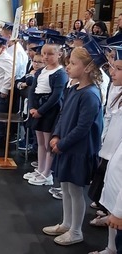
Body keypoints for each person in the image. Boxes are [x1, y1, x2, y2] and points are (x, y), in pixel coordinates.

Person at [42, 39, 106, 246]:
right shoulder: (74, 89)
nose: (67, 66)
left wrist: (62, 143)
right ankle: (66, 223)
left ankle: (76, 230)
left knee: (76, 191)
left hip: (79, 151)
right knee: (66, 188)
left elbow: (83, 128)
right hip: (66, 148)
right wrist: (56, 135)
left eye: (73, 63)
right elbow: (63, 116)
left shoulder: (91, 95)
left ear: (88, 67)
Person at [88, 47, 122, 254]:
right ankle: (110, 247)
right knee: (110, 200)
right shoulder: (118, 91)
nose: (112, 71)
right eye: (113, 67)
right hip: (112, 152)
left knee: (116, 206)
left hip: (117, 157)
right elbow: (109, 117)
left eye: (118, 68)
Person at [23, 33, 68, 186]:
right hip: (37, 108)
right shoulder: (41, 71)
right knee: (40, 142)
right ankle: (41, 168)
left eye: (50, 54)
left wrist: (41, 111)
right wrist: (32, 108)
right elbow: (32, 89)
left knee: (48, 143)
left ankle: (47, 173)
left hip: (49, 111)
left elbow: (56, 96)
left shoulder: (60, 73)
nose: (46, 57)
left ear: (59, 54)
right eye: (44, 54)